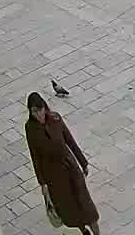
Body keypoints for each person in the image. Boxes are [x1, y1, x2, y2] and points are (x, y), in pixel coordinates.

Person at [25, 92, 100, 234]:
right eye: (34, 112)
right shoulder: (30, 128)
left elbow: (69, 140)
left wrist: (83, 162)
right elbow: (35, 156)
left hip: (69, 167)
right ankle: (83, 230)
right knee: (68, 208)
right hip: (53, 176)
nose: (38, 115)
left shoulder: (55, 119)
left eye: (40, 110)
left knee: (85, 205)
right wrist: (42, 183)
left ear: (44, 108)